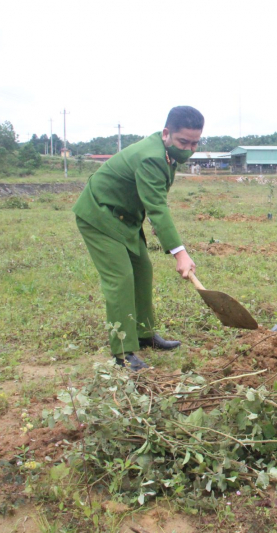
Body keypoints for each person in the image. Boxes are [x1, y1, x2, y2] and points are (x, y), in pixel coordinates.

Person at [72, 106, 202, 371]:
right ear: (167, 133)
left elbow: (151, 197)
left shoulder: (165, 152)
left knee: (142, 270)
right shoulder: (151, 157)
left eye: (195, 143)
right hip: (99, 214)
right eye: (183, 142)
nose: (188, 149)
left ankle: (144, 334)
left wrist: (155, 222)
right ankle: (123, 353)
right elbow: (157, 207)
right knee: (120, 279)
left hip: (125, 217)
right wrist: (180, 253)